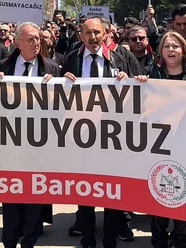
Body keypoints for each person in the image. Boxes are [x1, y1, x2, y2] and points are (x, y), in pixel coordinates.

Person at [62, 17, 134, 248]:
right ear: (81, 36)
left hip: (113, 137)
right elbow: (58, 98)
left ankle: (110, 239)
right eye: (88, 33)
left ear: (105, 34)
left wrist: (130, 80)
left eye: (97, 33)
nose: (93, 38)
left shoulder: (121, 58)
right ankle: (88, 239)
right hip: (82, 136)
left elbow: (140, 89)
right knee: (85, 192)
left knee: (111, 192)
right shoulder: (71, 59)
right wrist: (62, 82)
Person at [134, 30, 186, 248]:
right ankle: (159, 239)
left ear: (183, 50)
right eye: (167, 46)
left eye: (175, 46)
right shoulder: (150, 73)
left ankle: (181, 239)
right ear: (161, 50)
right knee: (159, 195)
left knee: (183, 194)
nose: (171, 50)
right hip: (157, 146)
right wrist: (140, 83)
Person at [0, 23, 58, 248]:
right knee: (11, 196)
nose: (36, 42)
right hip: (10, 142)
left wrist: (60, 85)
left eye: (38, 38)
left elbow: (64, 105)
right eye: (30, 39)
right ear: (17, 43)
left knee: (34, 197)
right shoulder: (3, 66)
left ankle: (29, 241)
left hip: (39, 144)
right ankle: (9, 241)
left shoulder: (52, 68)